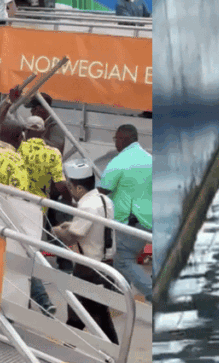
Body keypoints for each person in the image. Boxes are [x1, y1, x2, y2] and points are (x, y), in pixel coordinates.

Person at [0, 120, 56, 317]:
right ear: (19, 137)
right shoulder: (15, 161)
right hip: (6, 220)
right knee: (19, 262)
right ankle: (36, 303)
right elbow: (22, 196)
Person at [53, 159, 118, 344]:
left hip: (90, 268)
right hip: (106, 265)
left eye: (70, 186)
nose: (69, 190)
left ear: (79, 188)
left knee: (96, 316)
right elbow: (89, 227)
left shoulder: (87, 206)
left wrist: (57, 231)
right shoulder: (104, 200)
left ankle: (112, 355)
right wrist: (71, 225)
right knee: (81, 311)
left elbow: (72, 237)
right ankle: (67, 345)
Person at [98, 124, 152, 302]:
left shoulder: (119, 161)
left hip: (130, 220)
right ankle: (120, 298)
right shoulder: (149, 159)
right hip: (149, 219)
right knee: (126, 258)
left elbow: (102, 191)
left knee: (123, 260)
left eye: (116, 139)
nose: (115, 143)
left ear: (123, 139)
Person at [19, 115, 73, 272]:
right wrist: (69, 202)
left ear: (26, 130)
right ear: (43, 132)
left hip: (15, 199)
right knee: (34, 241)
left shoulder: (17, 147)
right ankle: (31, 272)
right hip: (39, 205)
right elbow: (60, 184)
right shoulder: (52, 153)